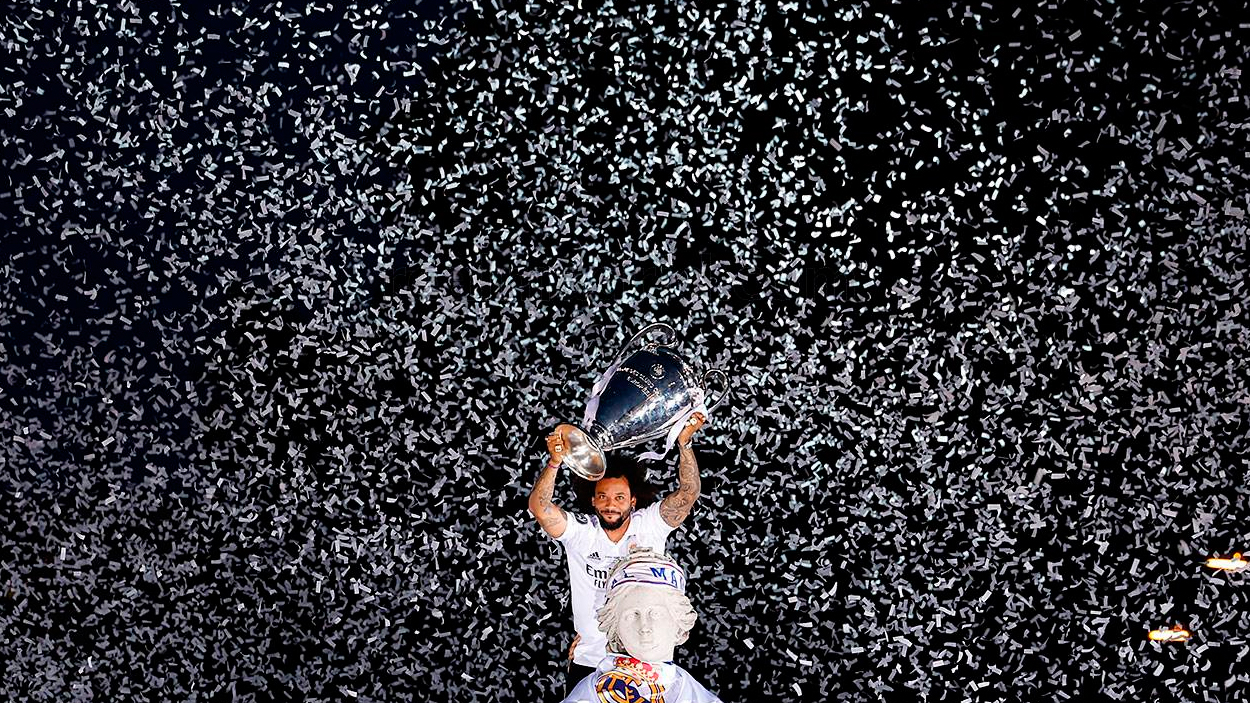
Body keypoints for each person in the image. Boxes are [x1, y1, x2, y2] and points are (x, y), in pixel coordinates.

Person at [528, 413, 706, 693]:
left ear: (633, 501)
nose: (611, 505)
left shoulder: (650, 525)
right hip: (590, 662)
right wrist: (555, 462)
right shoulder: (581, 532)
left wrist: (684, 444)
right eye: (603, 497)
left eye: (619, 498)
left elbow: (687, 494)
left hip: (646, 661)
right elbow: (541, 508)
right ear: (592, 500)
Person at [560, 546, 721, 703]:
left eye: (656, 614)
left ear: (679, 625)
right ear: (616, 631)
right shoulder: (588, 696)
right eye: (632, 616)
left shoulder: (699, 697)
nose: (644, 627)